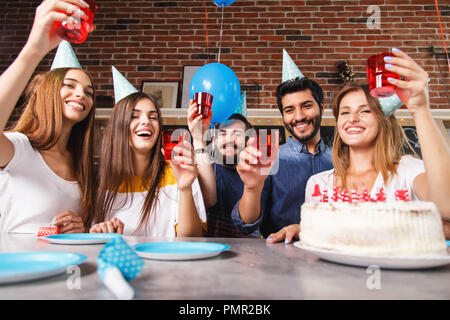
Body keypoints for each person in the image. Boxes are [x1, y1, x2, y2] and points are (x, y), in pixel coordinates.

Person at [268, 48, 450, 243]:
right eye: (345, 112)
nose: (353, 118)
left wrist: (421, 110)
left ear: (382, 120)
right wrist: (303, 229)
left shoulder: (407, 171)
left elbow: (446, 204)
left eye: (364, 111)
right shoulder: (319, 184)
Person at [0, 0, 96, 234]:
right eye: (70, 85)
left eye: (88, 92)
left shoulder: (82, 164)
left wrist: (78, 228)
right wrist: (35, 49)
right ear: (48, 92)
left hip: (67, 268)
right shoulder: (19, 148)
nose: (80, 95)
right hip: (18, 268)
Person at [89, 68, 206, 236]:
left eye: (153, 117)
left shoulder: (177, 172)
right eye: (134, 116)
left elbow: (192, 240)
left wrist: (185, 188)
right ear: (118, 126)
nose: (146, 121)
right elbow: (93, 240)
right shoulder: (100, 180)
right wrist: (103, 233)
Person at [230, 50, 333, 238]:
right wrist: (252, 188)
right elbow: (245, 224)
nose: (299, 116)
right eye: (289, 110)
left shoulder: (341, 158)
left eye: (307, 106)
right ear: (283, 116)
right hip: (282, 257)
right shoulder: (268, 159)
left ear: (322, 106)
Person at [188, 102, 257, 237]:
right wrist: (198, 138)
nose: (230, 140)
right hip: (210, 249)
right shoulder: (204, 170)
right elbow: (207, 200)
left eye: (237, 134)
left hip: (249, 251)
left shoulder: (258, 176)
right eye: (223, 134)